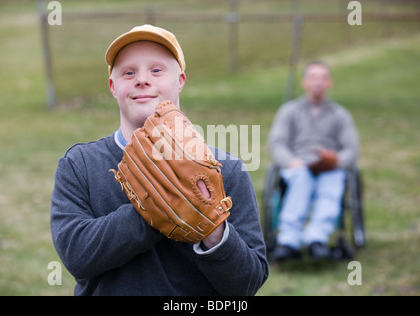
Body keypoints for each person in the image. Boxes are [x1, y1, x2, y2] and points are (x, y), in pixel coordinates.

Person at [50, 24, 268, 295]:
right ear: (112, 87)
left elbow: (247, 283)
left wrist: (211, 227)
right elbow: (77, 257)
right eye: (129, 73)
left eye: (156, 70)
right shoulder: (80, 164)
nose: (142, 80)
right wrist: (156, 206)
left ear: (180, 81)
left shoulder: (224, 169)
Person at [268, 61, 359, 261]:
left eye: (323, 78)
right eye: (313, 78)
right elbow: (277, 143)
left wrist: (336, 161)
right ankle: (288, 240)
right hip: (298, 166)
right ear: (304, 82)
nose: (318, 82)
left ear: (329, 83)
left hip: (329, 167)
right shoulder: (289, 111)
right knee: (301, 178)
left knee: (333, 180)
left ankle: (317, 238)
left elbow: (351, 149)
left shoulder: (340, 115)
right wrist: (291, 161)